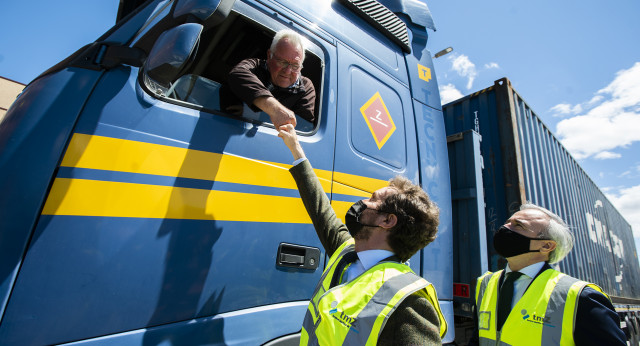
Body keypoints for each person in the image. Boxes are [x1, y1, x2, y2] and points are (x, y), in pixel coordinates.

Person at [277, 124, 447, 345]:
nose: (362, 203)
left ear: (388, 220)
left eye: (373, 199)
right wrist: (295, 148)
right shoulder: (346, 251)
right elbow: (320, 209)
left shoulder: (409, 303)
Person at [473, 203, 626, 345]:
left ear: (546, 245)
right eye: (508, 222)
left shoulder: (580, 297)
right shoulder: (485, 284)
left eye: (518, 225)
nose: (505, 228)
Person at [227, 29, 316, 129]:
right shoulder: (254, 66)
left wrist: (255, 114)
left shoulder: (305, 86)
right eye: (282, 62)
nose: (287, 71)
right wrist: (275, 109)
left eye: (295, 66)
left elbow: (303, 127)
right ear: (269, 55)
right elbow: (237, 74)